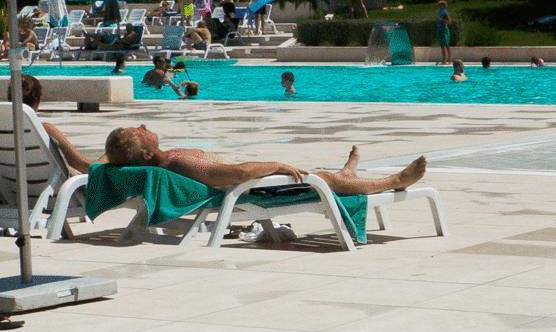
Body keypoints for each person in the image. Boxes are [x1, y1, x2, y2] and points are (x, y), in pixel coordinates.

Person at [102, 124, 428, 200]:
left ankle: (349, 171)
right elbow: (237, 173)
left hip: (249, 184)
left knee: (324, 175)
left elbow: (101, 162)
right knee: (321, 179)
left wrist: (76, 149)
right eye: (138, 132)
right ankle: (394, 181)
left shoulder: (160, 159)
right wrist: (276, 165)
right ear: (146, 154)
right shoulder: (180, 165)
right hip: (253, 191)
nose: (143, 126)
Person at [17, 75, 92, 174]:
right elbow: (82, 165)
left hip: (15, 180)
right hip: (55, 182)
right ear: (38, 99)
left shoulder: (5, 128)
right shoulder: (44, 129)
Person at [435, 0, 453, 64]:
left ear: (443, 5)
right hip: (440, 30)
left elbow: (449, 21)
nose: (438, 6)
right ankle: (444, 60)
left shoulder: (445, 12)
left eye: (439, 5)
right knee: (442, 45)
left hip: (444, 30)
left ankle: (449, 59)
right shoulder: (439, 12)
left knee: (446, 45)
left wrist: (441, 19)